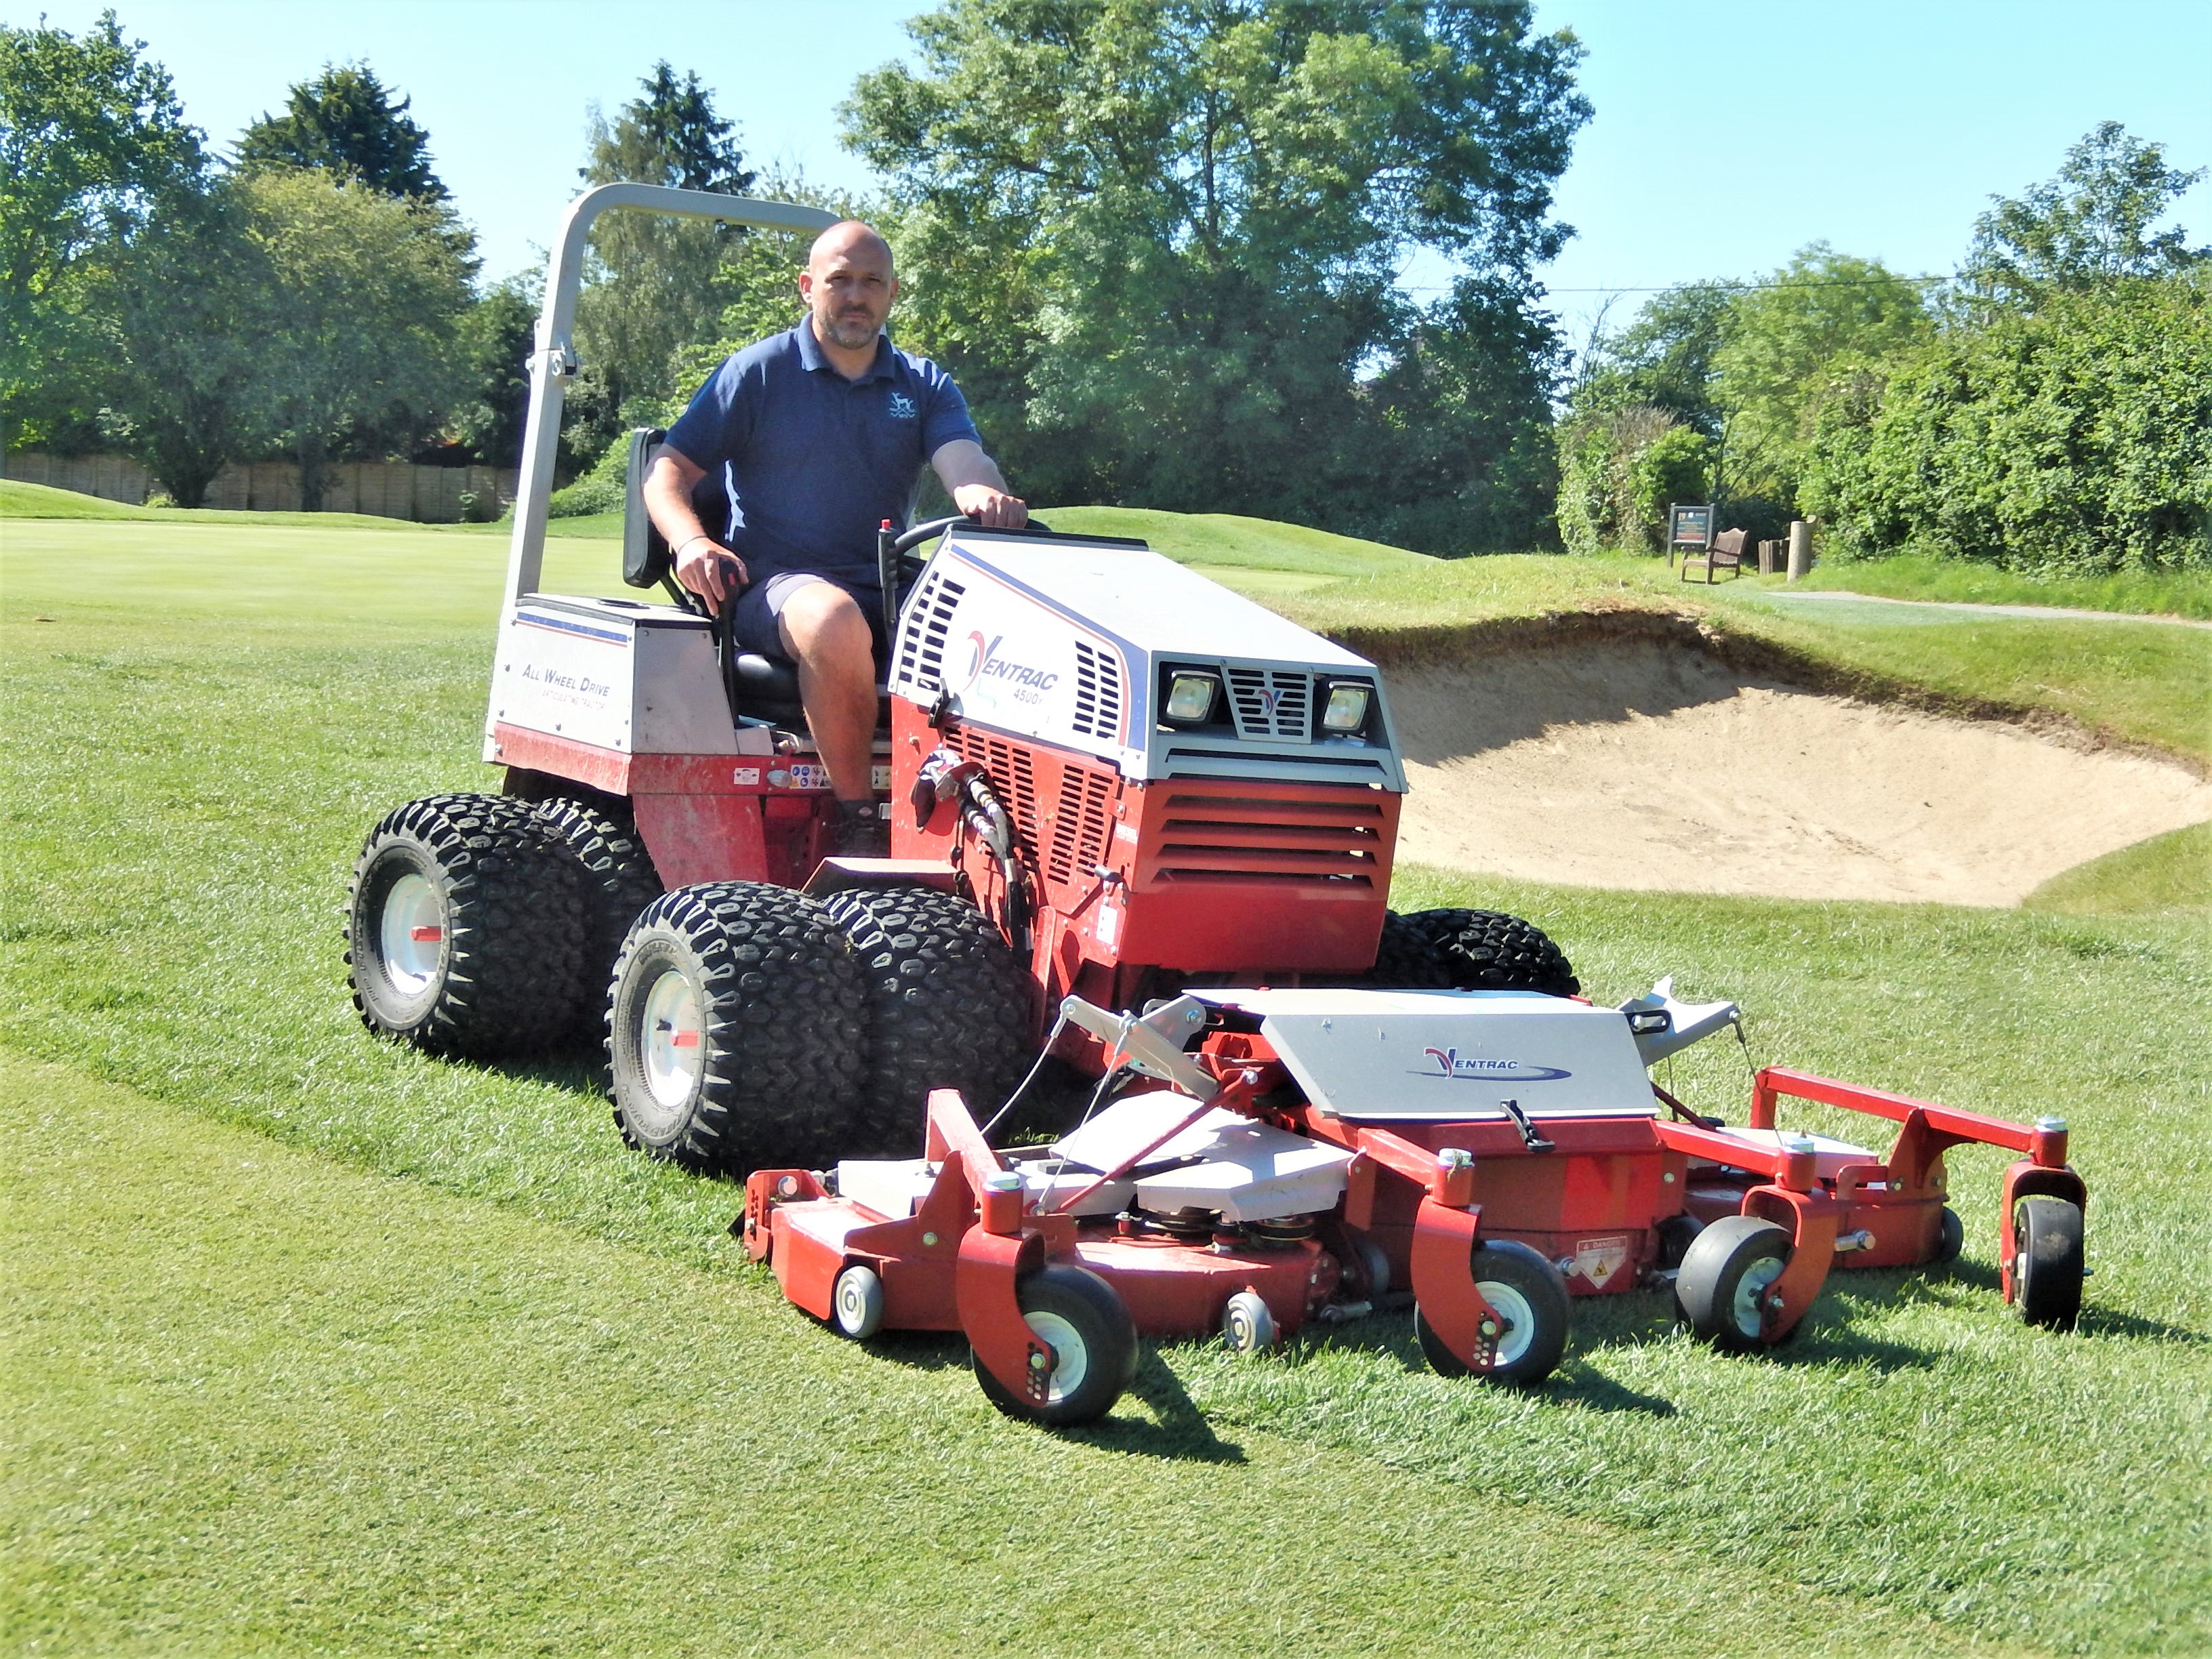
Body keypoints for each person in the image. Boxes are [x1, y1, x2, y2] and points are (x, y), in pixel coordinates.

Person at [640, 219, 1026, 854]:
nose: (855, 296)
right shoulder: (758, 374)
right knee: (833, 619)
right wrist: (692, 544)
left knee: (1012, 629)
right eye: (839, 281)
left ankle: (992, 820)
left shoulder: (922, 383)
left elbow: (964, 461)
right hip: (775, 585)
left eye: (870, 282)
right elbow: (667, 474)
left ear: (893, 292)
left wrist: (980, 492)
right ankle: (860, 819)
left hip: (888, 583)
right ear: (806, 288)